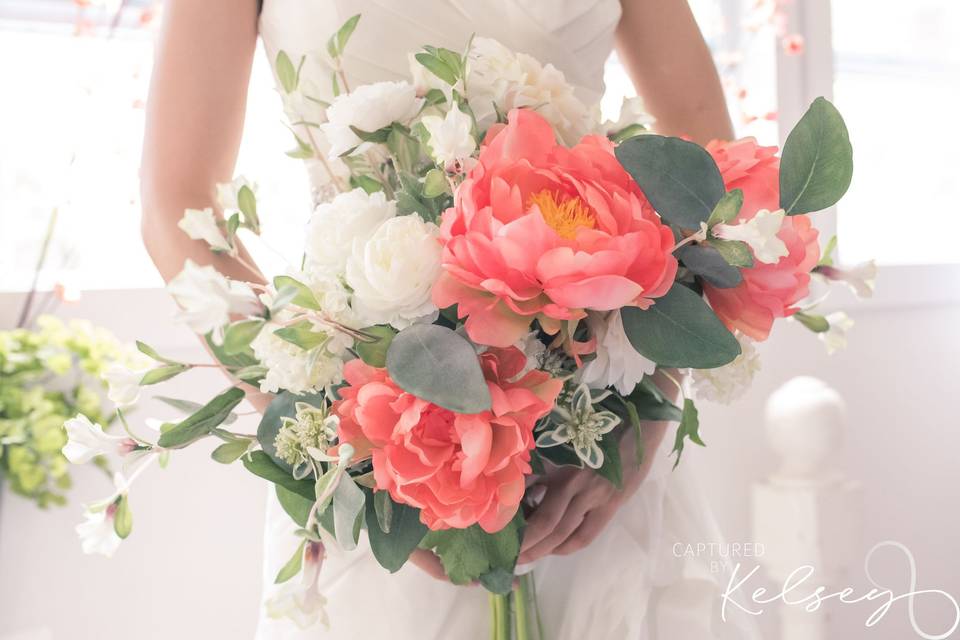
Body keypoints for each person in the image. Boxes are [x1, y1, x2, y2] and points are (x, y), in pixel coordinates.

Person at [141, 1, 756, 637]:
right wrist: (344, 440)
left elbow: (715, 182)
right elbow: (178, 206)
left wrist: (653, 404)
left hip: (590, 444)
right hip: (373, 435)